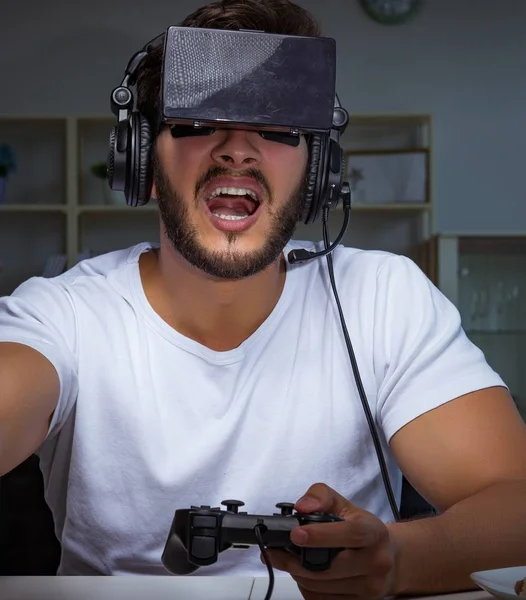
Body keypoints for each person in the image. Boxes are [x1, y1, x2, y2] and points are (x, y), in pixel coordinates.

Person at [1, 0, 526, 597]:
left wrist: (398, 560)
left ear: (318, 172)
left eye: (277, 128)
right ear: (142, 161)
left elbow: (518, 506)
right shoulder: (63, 313)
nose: (238, 151)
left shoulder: (385, 298)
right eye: (199, 124)